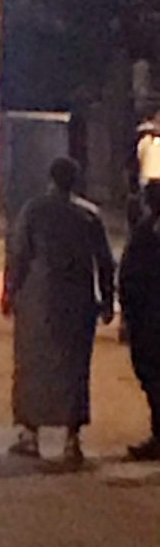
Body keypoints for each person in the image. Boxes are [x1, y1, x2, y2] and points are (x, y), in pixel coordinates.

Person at [3, 157, 114, 465]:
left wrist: (10, 293)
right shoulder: (89, 215)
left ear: (50, 178)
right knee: (75, 370)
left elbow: (20, 255)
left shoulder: (34, 210)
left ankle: (30, 434)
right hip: (78, 303)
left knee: (32, 365)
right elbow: (104, 262)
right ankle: (71, 440)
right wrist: (107, 300)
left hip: (38, 300)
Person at [118, 182, 160, 461]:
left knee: (154, 375)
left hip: (150, 317)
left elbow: (131, 272)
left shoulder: (146, 232)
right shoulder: (146, 229)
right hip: (146, 316)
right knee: (150, 376)